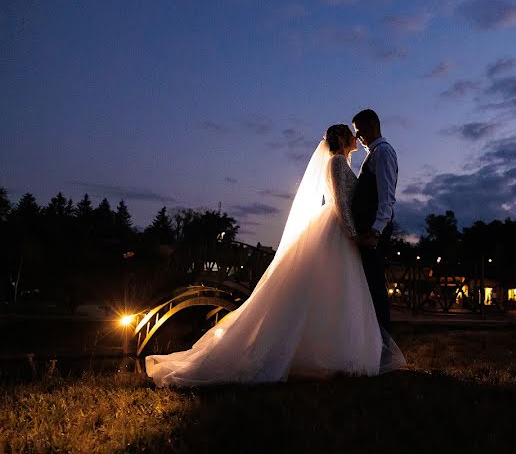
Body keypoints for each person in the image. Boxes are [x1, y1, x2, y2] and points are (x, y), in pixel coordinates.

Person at [145, 124, 405, 387]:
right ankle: (335, 355)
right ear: (340, 139)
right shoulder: (337, 163)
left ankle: (339, 352)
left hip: (340, 230)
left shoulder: (342, 162)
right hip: (339, 230)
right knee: (333, 290)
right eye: (351, 135)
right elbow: (338, 202)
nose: (355, 138)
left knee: (334, 292)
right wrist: (352, 234)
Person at [350, 109, 398, 331]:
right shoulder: (375, 153)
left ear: (372, 127)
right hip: (369, 231)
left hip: (373, 234)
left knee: (376, 289)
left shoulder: (384, 153)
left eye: (359, 132)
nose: (358, 138)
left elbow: (387, 197)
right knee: (369, 288)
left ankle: (382, 347)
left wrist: (375, 232)